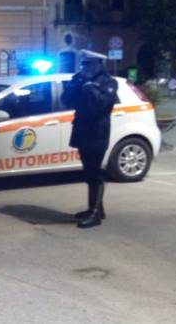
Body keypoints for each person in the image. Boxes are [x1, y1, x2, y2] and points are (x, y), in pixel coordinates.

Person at [61, 50, 118, 228]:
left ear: (99, 65)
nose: (85, 69)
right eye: (84, 65)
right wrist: (73, 86)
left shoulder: (108, 82)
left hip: (97, 132)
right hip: (82, 131)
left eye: (89, 65)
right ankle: (96, 209)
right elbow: (67, 101)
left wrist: (90, 87)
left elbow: (102, 104)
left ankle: (95, 214)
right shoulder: (82, 80)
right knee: (88, 172)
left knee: (95, 173)